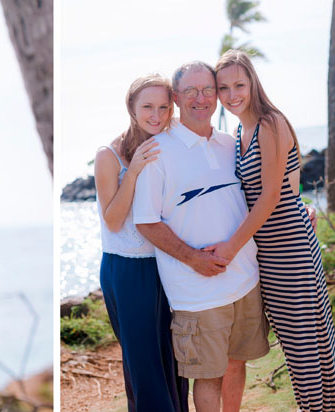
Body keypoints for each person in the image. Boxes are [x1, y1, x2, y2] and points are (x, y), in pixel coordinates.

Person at [133, 61, 271, 412]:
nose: (201, 98)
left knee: (237, 363)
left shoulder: (231, 143)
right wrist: (195, 259)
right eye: (191, 91)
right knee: (208, 376)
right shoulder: (157, 151)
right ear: (176, 97)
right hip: (197, 293)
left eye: (208, 89)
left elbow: (260, 192)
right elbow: (146, 223)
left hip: (245, 279)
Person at [208, 49, 335, 411]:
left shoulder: (269, 123)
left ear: (253, 83)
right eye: (224, 88)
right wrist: (302, 207)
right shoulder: (239, 130)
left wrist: (230, 248)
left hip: (289, 250)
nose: (232, 95)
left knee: (305, 346)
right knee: (305, 344)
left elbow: (269, 196)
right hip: (267, 251)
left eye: (239, 85)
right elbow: (289, 187)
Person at [93, 73, 188, 412]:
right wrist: (131, 172)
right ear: (131, 108)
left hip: (167, 263)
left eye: (164, 107)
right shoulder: (109, 155)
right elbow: (114, 220)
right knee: (144, 361)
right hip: (127, 268)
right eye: (147, 106)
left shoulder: (172, 142)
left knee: (174, 358)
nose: (156, 115)